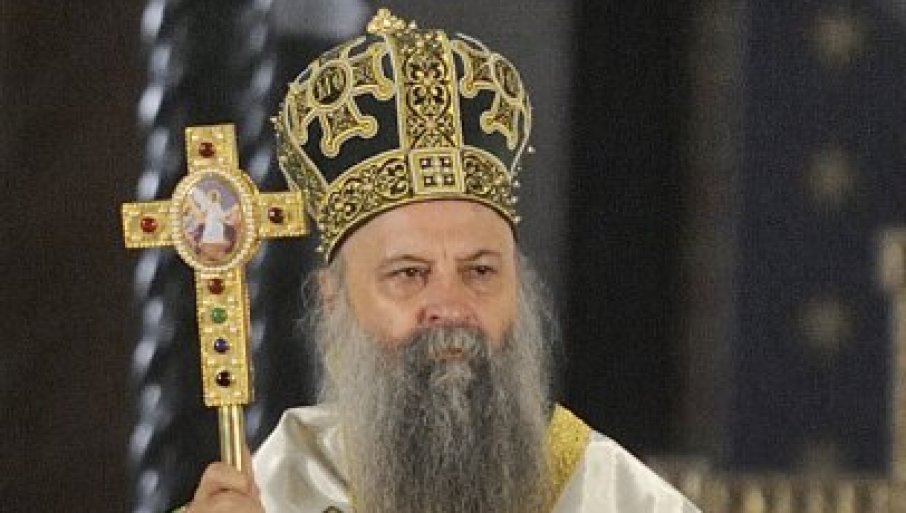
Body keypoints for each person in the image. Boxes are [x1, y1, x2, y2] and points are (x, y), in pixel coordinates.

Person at [183, 9, 700, 513]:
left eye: (480, 272)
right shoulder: (279, 491)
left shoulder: (613, 497)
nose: (450, 307)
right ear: (334, 302)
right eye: (409, 274)